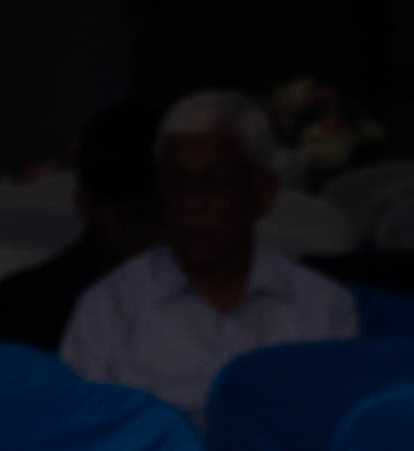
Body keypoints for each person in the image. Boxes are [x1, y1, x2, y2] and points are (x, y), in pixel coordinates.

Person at [59, 86, 358, 412]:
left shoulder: (324, 310)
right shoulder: (108, 310)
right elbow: (83, 433)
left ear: (262, 192)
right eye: (177, 180)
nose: (192, 200)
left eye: (215, 179)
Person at [0, 99, 160, 352]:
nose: (154, 240)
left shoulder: (200, 298)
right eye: (137, 219)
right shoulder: (23, 309)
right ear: (87, 208)